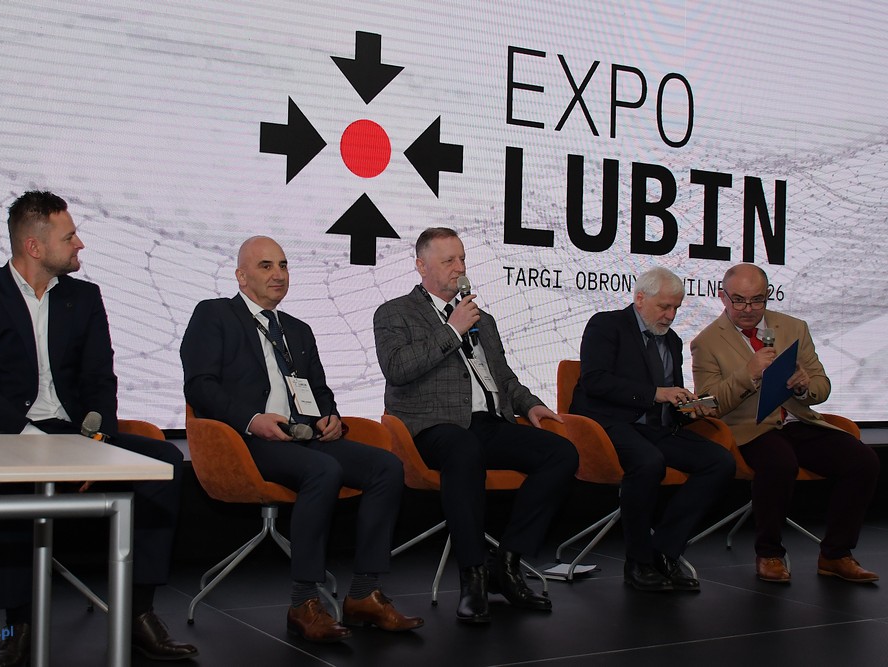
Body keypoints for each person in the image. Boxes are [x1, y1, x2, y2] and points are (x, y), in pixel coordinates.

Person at [0, 191, 197, 666]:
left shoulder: (84, 298)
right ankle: (19, 625)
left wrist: (95, 442)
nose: (80, 244)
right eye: (70, 236)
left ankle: (138, 614)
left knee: (163, 463)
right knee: (7, 478)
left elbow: (100, 379)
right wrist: (33, 442)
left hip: (73, 433)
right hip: (4, 434)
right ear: (34, 247)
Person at [180, 235, 422, 643]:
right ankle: (303, 603)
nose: (278, 274)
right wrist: (252, 420)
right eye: (266, 266)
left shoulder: (298, 329)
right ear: (241, 276)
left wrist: (332, 418)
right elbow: (200, 386)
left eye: (284, 265)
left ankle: (364, 594)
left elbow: (319, 391)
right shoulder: (214, 315)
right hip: (246, 441)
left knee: (386, 467)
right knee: (323, 470)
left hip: (304, 437)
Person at [373, 227, 579, 624]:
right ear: (421, 266)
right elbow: (398, 369)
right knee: (463, 448)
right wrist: (452, 330)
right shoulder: (395, 313)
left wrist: (531, 405)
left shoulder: (483, 319)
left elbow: (504, 377)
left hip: (487, 422)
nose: (459, 268)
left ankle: (507, 561)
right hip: (432, 426)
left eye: (462, 259)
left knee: (561, 453)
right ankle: (472, 576)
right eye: (448, 260)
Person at [690, 263, 879, 583]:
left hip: (797, 420)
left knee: (864, 461)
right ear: (722, 296)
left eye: (757, 300)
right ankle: (769, 554)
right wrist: (748, 374)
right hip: (749, 428)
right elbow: (710, 405)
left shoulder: (793, 328)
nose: (748, 309)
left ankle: (836, 554)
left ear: (768, 295)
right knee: (779, 462)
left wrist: (804, 386)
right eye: (739, 300)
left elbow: (822, 387)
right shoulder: (706, 342)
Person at [569, 267, 734, 592]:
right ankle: (638, 562)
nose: (671, 315)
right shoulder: (607, 325)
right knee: (648, 461)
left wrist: (691, 408)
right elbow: (595, 381)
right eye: (664, 307)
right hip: (608, 424)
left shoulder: (672, 341)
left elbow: (672, 398)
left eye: (676, 308)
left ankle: (665, 551)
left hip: (657, 427)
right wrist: (655, 393)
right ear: (640, 299)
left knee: (720, 461)